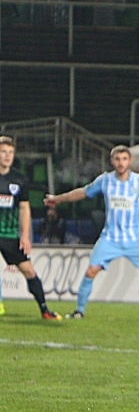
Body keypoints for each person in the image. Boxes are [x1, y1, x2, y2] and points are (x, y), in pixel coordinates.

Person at [45, 145, 139, 320]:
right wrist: (58, 199)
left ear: (130, 161)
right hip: (110, 237)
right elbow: (82, 193)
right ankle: (79, 310)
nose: (121, 163)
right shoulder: (105, 181)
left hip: (135, 238)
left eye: (124, 159)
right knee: (91, 271)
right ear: (112, 161)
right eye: (117, 159)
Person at [0, 136, 60, 319]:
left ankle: (44, 310)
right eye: (3, 152)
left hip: (9, 234)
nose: (7, 156)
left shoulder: (19, 179)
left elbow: (24, 208)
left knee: (29, 271)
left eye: (10, 152)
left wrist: (25, 236)